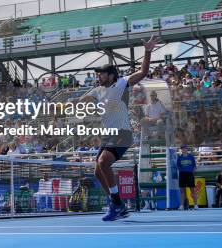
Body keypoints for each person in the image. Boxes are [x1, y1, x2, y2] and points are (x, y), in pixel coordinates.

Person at [72, 35, 159, 221]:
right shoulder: (97, 90)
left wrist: (147, 51)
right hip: (108, 135)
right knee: (98, 170)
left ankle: (117, 204)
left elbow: (143, 72)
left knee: (103, 163)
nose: (98, 76)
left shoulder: (122, 83)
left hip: (123, 133)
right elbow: (81, 101)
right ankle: (116, 204)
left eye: (101, 73)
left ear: (111, 75)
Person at [177, 145, 198, 210]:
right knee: (182, 191)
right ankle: (182, 205)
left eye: (185, 148)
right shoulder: (179, 158)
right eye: (182, 149)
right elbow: (178, 167)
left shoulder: (191, 157)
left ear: (187, 149)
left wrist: (192, 173)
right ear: (181, 150)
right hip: (182, 174)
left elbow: (194, 166)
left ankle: (195, 205)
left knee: (193, 190)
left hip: (190, 174)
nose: (184, 150)